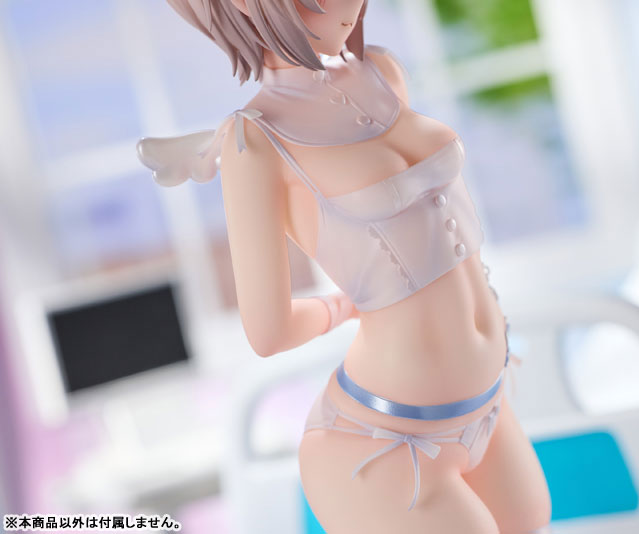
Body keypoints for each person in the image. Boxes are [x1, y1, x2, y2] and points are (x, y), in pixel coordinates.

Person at [138, 0, 552, 532]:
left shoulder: (382, 71)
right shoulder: (255, 141)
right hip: (381, 441)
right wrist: (342, 306)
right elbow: (267, 332)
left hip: (488, 403)